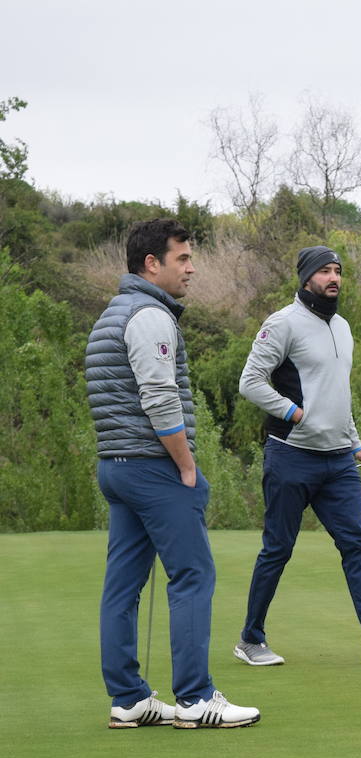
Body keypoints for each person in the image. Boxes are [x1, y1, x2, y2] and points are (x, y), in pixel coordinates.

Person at [86, 218, 260, 729]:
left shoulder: (111, 315)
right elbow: (160, 399)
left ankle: (129, 699)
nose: (192, 267)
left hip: (115, 466)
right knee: (193, 575)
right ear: (151, 264)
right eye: (182, 258)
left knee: (123, 585)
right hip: (152, 467)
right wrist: (187, 467)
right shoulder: (148, 316)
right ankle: (196, 698)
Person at [235, 246, 361, 666]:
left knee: (357, 543)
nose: (333, 278)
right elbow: (249, 382)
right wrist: (292, 411)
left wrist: (356, 443)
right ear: (306, 277)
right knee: (278, 549)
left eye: (338, 270)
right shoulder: (282, 323)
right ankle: (251, 639)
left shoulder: (343, 327)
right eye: (324, 270)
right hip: (290, 455)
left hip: (339, 459)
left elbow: (338, 394)